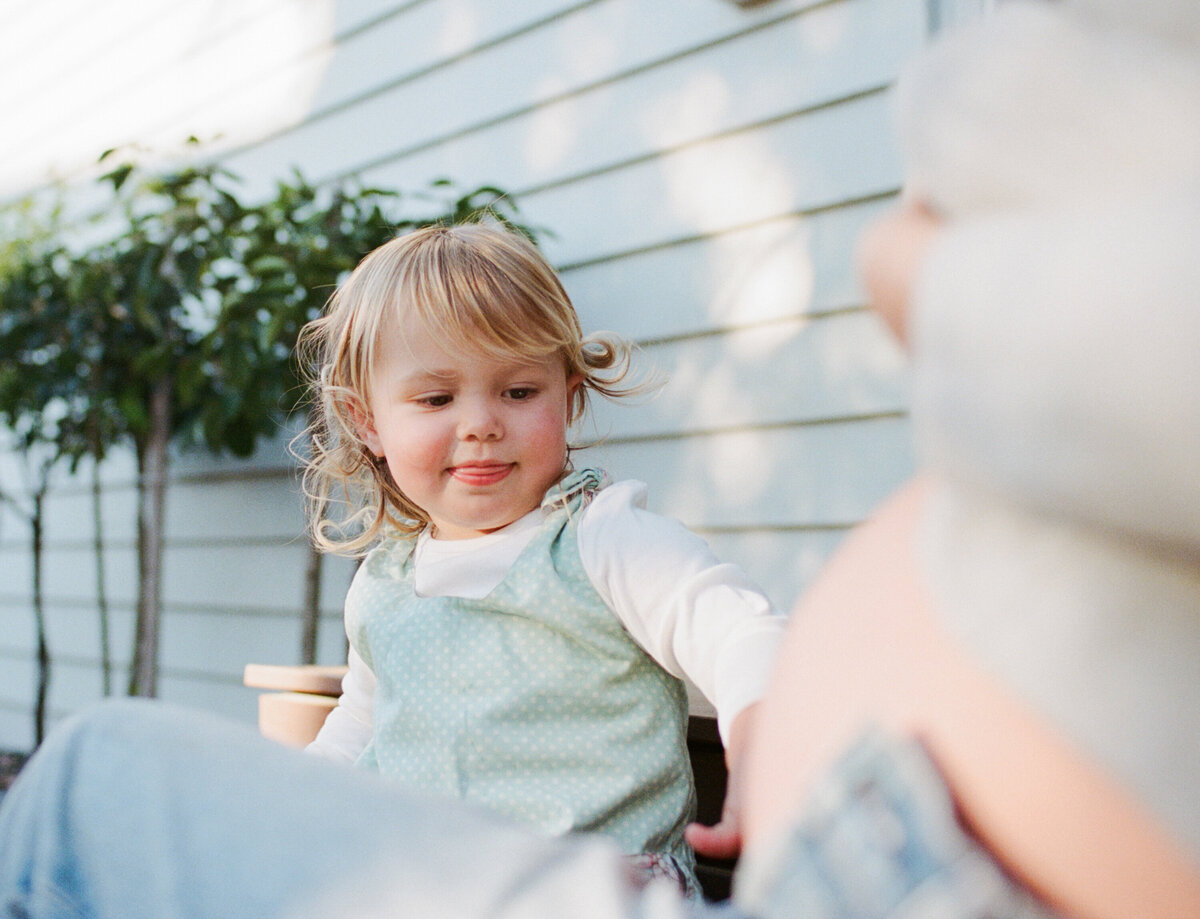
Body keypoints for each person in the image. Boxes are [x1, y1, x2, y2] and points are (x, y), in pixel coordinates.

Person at [291, 222, 785, 891]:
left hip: (592, 888)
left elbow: (738, 631)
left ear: (570, 394)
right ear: (367, 421)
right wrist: (292, 807)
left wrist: (765, 745)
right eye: (437, 398)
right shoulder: (383, 585)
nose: (481, 424)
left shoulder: (604, 543)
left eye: (519, 391)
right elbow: (360, 724)